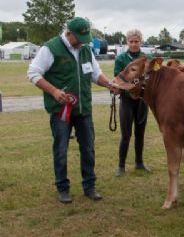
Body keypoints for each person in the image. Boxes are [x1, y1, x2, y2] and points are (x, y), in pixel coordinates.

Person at [27, 17, 117, 204]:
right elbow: (33, 73)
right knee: (60, 149)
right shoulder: (50, 48)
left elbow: (95, 73)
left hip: (83, 108)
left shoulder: (85, 48)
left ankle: (89, 186)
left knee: (88, 149)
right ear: (69, 33)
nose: (83, 42)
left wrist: (109, 84)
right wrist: (53, 91)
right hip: (61, 110)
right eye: (80, 38)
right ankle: (62, 188)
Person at [114, 29, 151, 177]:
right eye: (131, 41)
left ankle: (139, 163)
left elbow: (152, 77)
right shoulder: (121, 58)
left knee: (140, 133)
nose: (134, 44)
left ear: (141, 42)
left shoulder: (147, 58)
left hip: (142, 100)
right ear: (127, 42)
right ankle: (121, 166)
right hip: (126, 100)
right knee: (126, 134)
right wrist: (125, 87)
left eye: (137, 41)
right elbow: (118, 78)